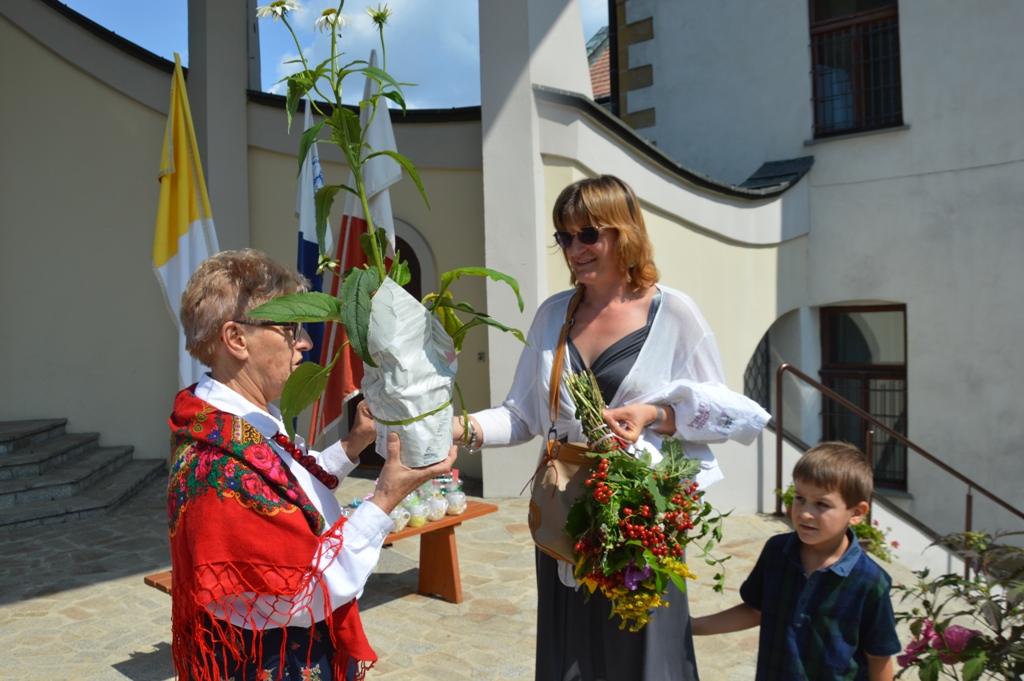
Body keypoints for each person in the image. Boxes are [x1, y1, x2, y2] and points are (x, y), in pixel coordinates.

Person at [452, 175, 770, 681]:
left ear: (625, 233)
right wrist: (457, 429)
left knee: (644, 655)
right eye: (564, 236)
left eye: (588, 234)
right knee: (571, 652)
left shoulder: (674, 313)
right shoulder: (553, 314)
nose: (574, 249)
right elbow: (522, 415)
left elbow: (725, 413)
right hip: (567, 512)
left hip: (639, 515)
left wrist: (655, 415)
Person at [167, 249, 456, 681]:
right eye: (290, 328)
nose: (304, 342)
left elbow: (286, 482)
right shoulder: (216, 462)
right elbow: (304, 590)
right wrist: (385, 498)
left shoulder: (232, 423)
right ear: (237, 339)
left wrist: (354, 443)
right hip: (271, 659)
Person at [691, 442, 902, 681]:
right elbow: (755, 610)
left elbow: (878, 658)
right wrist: (692, 626)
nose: (804, 513)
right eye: (800, 498)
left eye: (821, 504)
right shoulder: (777, 551)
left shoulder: (870, 581)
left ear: (856, 513)